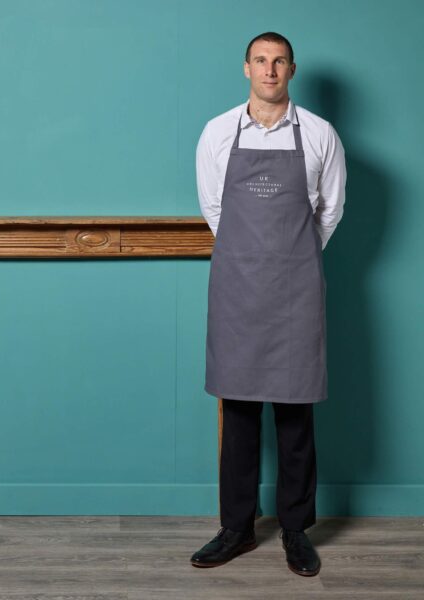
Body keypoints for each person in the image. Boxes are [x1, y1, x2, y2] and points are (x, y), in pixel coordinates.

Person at [191, 32, 347, 576]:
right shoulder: (217, 132)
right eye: (261, 60)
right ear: (247, 68)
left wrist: (290, 256)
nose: (270, 70)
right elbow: (214, 209)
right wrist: (250, 255)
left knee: (295, 413)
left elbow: (329, 212)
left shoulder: (321, 135)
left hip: (296, 289)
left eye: (279, 61)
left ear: (292, 69)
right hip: (237, 287)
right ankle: (235, 528)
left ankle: (296, 531)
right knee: (237, 412)